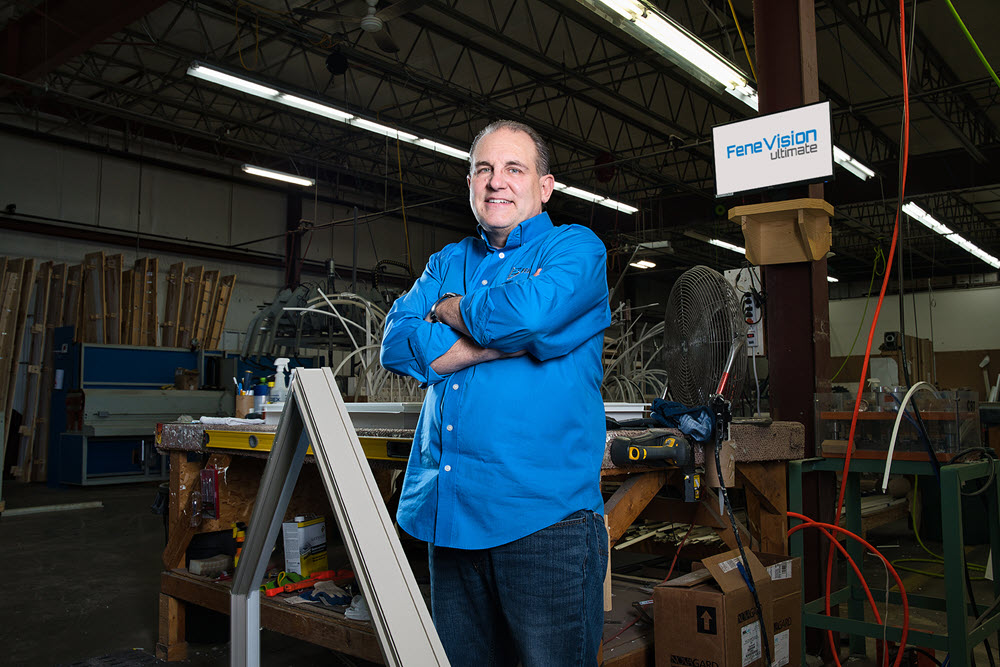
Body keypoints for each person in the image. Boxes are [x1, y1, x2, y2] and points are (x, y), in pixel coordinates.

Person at [380, 119, 611, 666]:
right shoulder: (447, 260)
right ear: (470, 184)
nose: (496, 182)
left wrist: (453, 311)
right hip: (450, 513)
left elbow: (529, 315)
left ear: (544, 186)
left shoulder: (576, 250)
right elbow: (395, 342)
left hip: (543, 521)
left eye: (514, 168)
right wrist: (489, 344)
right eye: (484, 169)